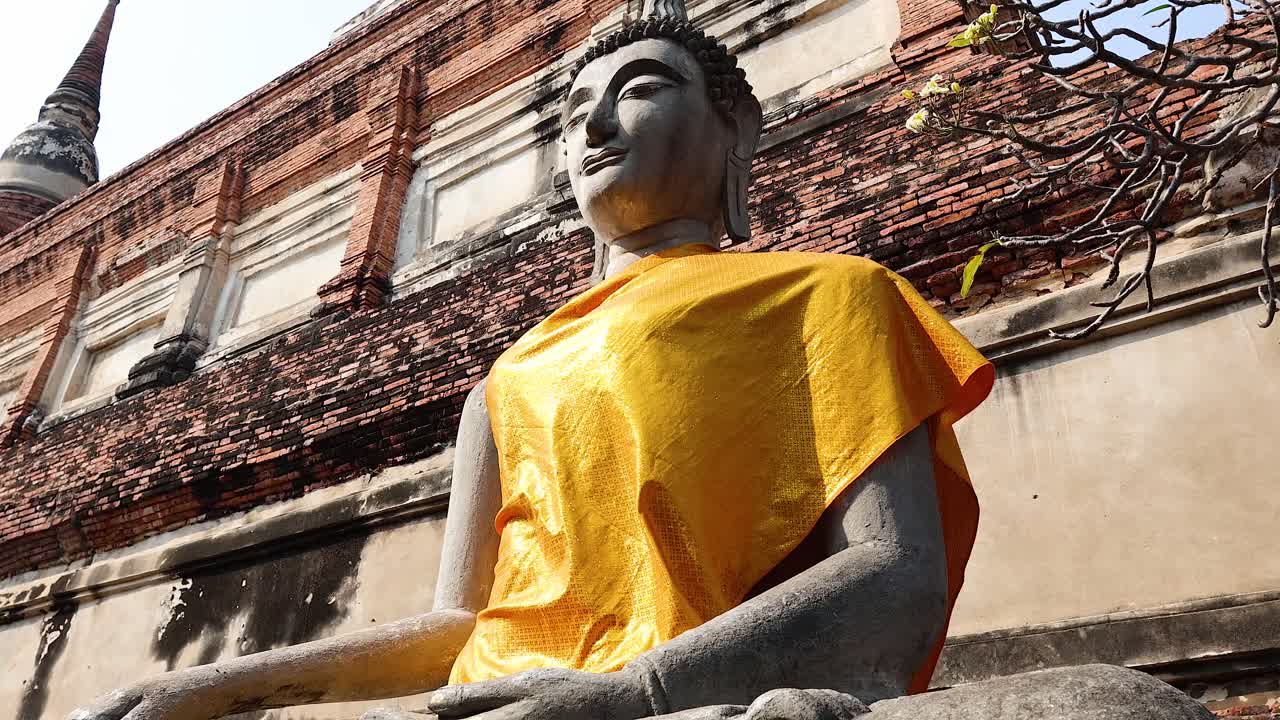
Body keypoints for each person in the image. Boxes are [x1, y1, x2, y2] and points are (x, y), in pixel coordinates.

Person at [70, 3, 992, 720]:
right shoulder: (509, 380)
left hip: (666, 697)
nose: (594, 131)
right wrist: (223, 686)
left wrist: (639, 692)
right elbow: (462, 628)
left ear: (737, 134)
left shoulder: (834, 298)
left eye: (639, 88)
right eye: (574, 113)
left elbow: (896, 572)